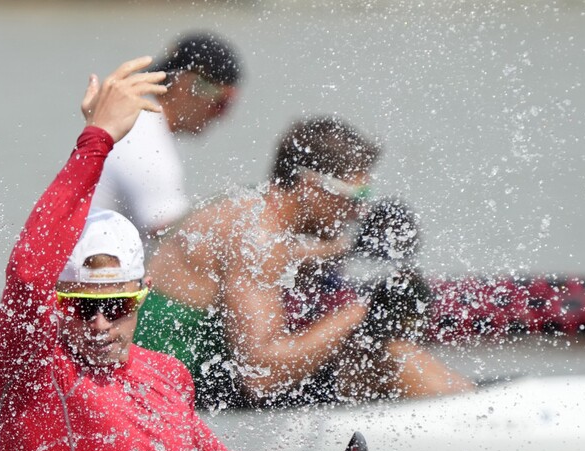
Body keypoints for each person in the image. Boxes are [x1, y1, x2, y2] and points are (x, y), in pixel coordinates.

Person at [0, 57, 392, 451]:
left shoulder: (164, 376)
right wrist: (95, 141)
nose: (98, 322)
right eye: (80, 305)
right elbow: (27, 272)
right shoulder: (33, 369)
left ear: (140, 299)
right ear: (58, 303)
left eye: (116, 305)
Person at [134, 116, 474, 409]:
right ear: (312, 184)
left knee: (360, 352)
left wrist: (351, 247)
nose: (359, 211)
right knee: (390, 358)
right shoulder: (258, 239)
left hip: (174, 374)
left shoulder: (249, 209)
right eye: (356, 196)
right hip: (176, 394)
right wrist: (363, 311)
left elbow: (283, 258)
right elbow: (260, 374)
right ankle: (472, 418)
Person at [90, 33, 242, 238]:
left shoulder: (140, 122)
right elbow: (177, 237)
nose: (223, 116)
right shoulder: (142, 138)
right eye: (222, 103)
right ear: (190, 85)